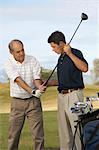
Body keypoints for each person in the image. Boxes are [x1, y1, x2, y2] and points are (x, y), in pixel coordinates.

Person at [47, 31, 88, 150]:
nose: (53, 49)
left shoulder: (75, 52)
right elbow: (63, 81)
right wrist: (48, 83)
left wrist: (69, 53)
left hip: (75, 96)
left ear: (61, 44)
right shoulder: (60, 58)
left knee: (77, 129)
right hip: (62, 97)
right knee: (64, 132)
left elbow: (84, 68)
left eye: (54, 46)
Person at [5, 39, 46, 150]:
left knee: (38, 134)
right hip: (17, 103)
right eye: (18, 52)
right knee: (13, 135)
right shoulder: (8, 63)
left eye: (22, 50)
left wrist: (39, 87)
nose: (21, 53)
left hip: (33, 102)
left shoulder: (32, 60)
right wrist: (32, 91)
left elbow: (36, 79)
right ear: (11, 52)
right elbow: (18, 80)